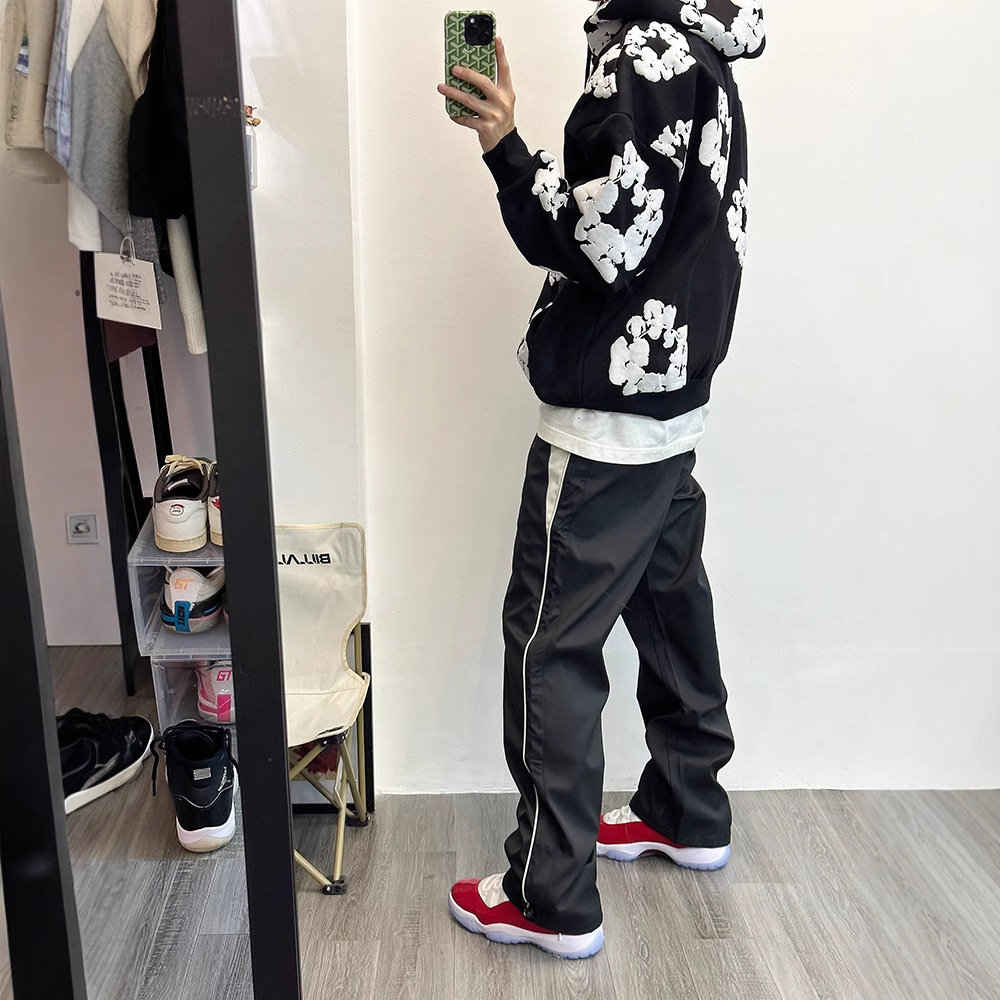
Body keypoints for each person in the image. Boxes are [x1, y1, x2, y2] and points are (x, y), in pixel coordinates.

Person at [438, 0, 765, 959]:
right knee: (670, 607)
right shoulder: (703, 48)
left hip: (608, 423)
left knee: (550, 648)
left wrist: (505, 149)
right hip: (672, 402)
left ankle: (549, 896)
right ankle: (688, 807)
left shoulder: (643, 52)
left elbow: (603, 245)